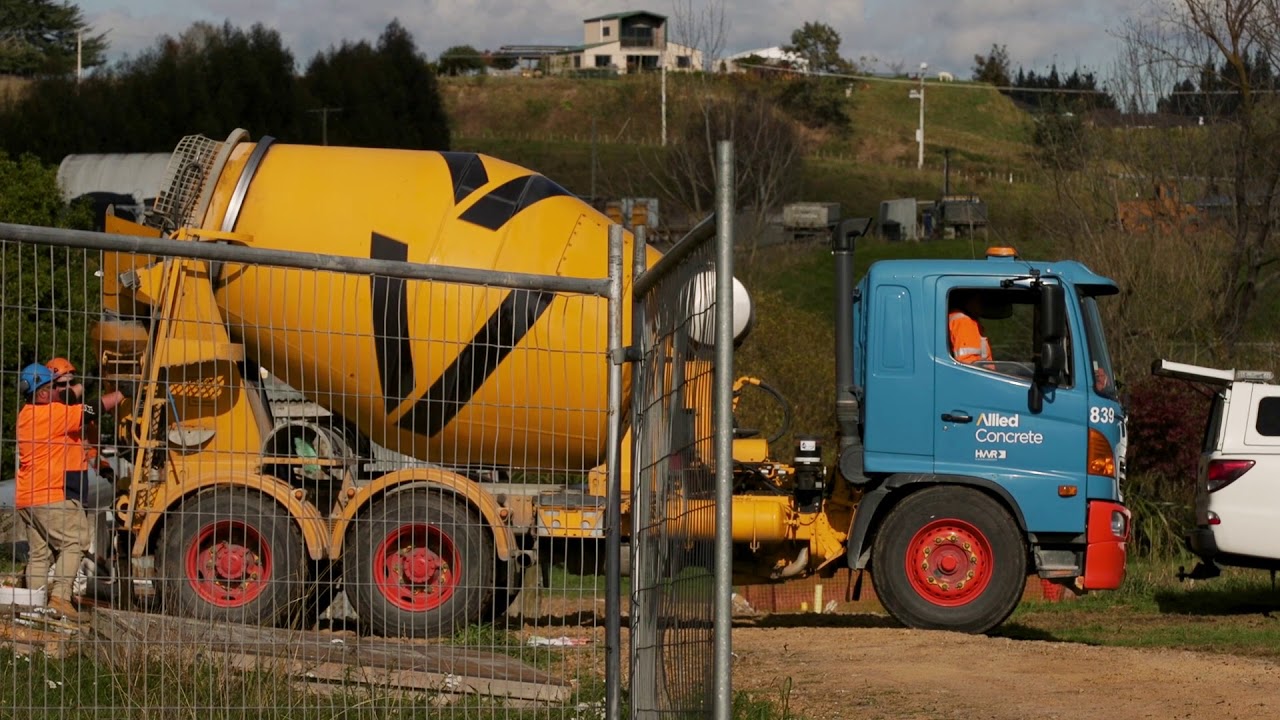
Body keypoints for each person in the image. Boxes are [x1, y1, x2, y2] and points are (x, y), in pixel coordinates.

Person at [15, 362, 123, 620]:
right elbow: (92, 409)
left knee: (40, 554)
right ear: (42, 394)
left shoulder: (26, 414)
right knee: (75, 542)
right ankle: (60, 598)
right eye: (54, 387)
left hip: (27, 497)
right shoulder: (52, 414)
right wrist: (121, 394)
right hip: (52, 494)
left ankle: (34, 606)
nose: (59, 392)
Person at [948, 291, 992, 365]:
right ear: (969, 301)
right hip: (979, 375)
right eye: (980, 300)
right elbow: (968, 363)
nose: (982, 305)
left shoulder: (956, 318)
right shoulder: (964, 322)